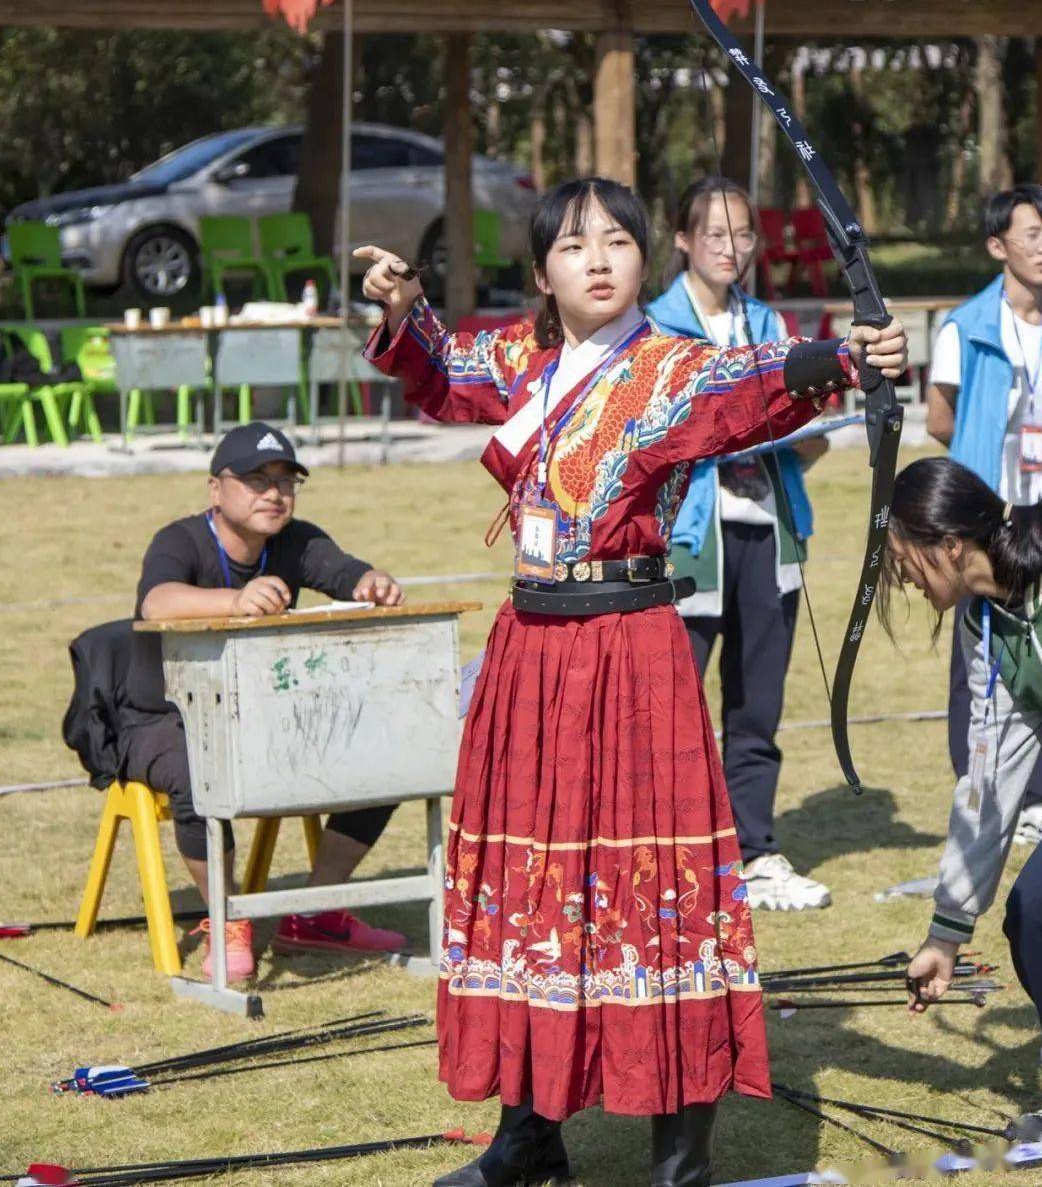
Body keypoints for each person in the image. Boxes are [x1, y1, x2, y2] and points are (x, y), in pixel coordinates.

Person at [356, 177, 907, 1187]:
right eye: (574, 246)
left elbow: (751, 380)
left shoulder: (669, 366)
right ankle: (528, 1137)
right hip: (532, 652)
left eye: (617, 241)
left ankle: (679, 1163)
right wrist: (403, 303)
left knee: (656, 891)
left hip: (632, 651)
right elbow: (439, 371)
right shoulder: (522, 357)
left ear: (645, 261)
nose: (598, 260)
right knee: (532, 887)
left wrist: (844, 356)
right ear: (542, 274)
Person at [126, 421, 407, 981]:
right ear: (216, 488)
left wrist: (373, 582)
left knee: (388, 752)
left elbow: (346, 572)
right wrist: (235, 600)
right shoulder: (179, 540)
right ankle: (227, 919)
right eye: (257, 480)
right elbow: (157, 602)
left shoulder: (296, 540)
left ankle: (317, 911)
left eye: (286, 481)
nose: (274, 493)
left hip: (260, 711)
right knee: (197, 767)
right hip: (162, 715)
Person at [648, 176, 833, 914]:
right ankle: (667, 856)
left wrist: (806, 428)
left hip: (767, 530)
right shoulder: (656, 328)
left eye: (744, 235)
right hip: (690, 539)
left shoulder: (770, 324)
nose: (732, 249)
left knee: (757, 704)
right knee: (672, 707)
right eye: (715, 235)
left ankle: (754, 851)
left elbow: (803, 431)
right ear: (683, 239)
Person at [879, 456, 1042, 1087]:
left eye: (903, 557)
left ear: (950, 544)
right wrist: (947, 933)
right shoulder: (980, 622)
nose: (903, 578)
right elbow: (988, 780)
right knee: (1037, 914)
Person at [927, 184, 1042, 845]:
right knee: (980, 654)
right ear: (996, 245)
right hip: (989, 519)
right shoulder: (965, 326)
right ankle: (978, 788)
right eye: (1032, 233)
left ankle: (1039, 795)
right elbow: (941, 419)